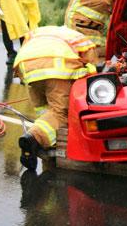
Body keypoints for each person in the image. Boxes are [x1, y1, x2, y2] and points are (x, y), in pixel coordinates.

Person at [14, 25, 98, 170]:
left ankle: (39, 146)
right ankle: (34, 138)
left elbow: (23, 48)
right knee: (60, 114)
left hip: (27, 69)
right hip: (55, 72)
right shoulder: (80, 39)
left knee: (44, 111)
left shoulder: (40, 32)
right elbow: (91, 67)